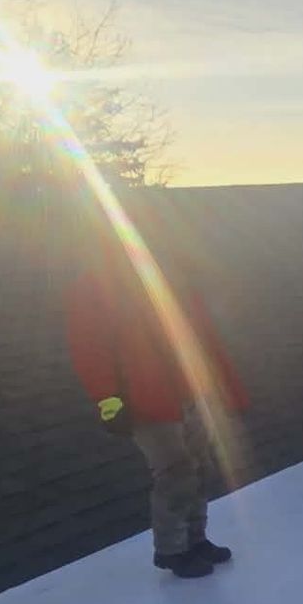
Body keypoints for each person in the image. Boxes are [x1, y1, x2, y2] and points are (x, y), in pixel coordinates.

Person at [65, 219, 248, 579]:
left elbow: (205, 340)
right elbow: (89, 349)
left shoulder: (171, 280)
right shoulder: (94, 287)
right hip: (147, 402)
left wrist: (230, 393)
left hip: (190, 395)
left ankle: (196, 540)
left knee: (198, 468)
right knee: (174, 473)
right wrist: (109, 401)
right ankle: (171, 550)